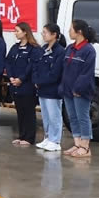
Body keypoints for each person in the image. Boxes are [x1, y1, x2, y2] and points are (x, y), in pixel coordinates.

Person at [59, 19, 97, 158]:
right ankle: (77, 143)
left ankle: (85, 146)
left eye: (71, 29)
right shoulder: (70, 48)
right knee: (72, 117)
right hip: (68, 89)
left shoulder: (88, 50)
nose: (69, 31)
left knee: (83, 117)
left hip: (80, 91)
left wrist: (78, 88)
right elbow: (65, 69)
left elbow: (87, 73)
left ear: (79, 31)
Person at [33, 24, 66, 152]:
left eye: (45, 32)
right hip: (42, 89)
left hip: (53, 89)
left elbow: (55, 73)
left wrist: (40, 81)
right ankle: (47, 137)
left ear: (54, 35)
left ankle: (55, 140)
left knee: (54, 116)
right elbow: (36, 66)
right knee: (46, 116)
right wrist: (36, 80)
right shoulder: (44, 49)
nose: (43, 35)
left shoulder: (60, 51)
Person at [7, 23, 39, 146]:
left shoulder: (33, 49)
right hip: (15, 84)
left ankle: (29, 137)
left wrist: (21, 78)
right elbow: (8, 62)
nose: (15, 33)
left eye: (17, 31)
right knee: (20, 111)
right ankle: (22, 135)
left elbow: (31, 66)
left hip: (27, 85)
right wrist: (11, 77)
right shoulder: (15, 47)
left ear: (25, 32)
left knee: (28, 111)